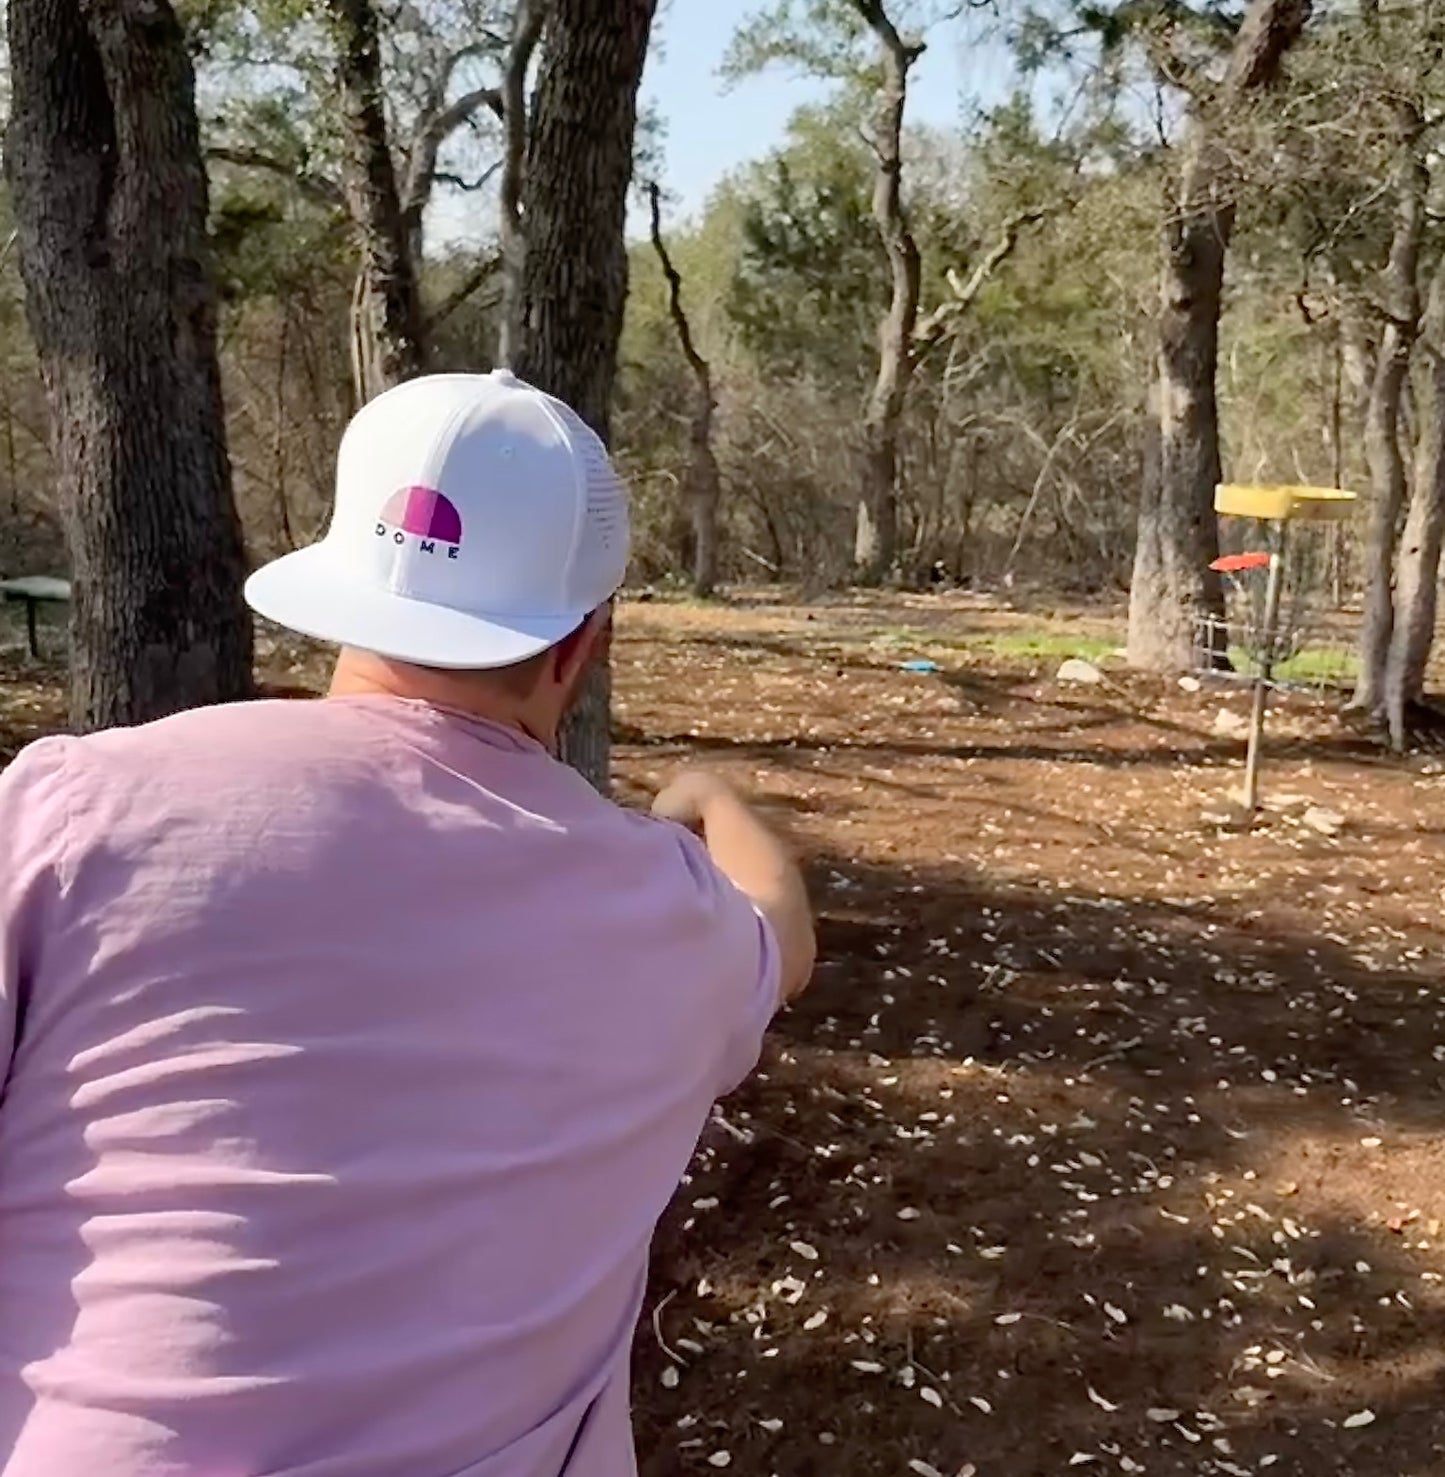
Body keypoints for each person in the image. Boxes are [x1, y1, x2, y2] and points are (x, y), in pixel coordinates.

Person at [0, 371, 815, 1477]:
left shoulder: (71, 809)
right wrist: (711, 795)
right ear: (584, 642)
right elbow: (783, 932)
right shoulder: (674, 911)